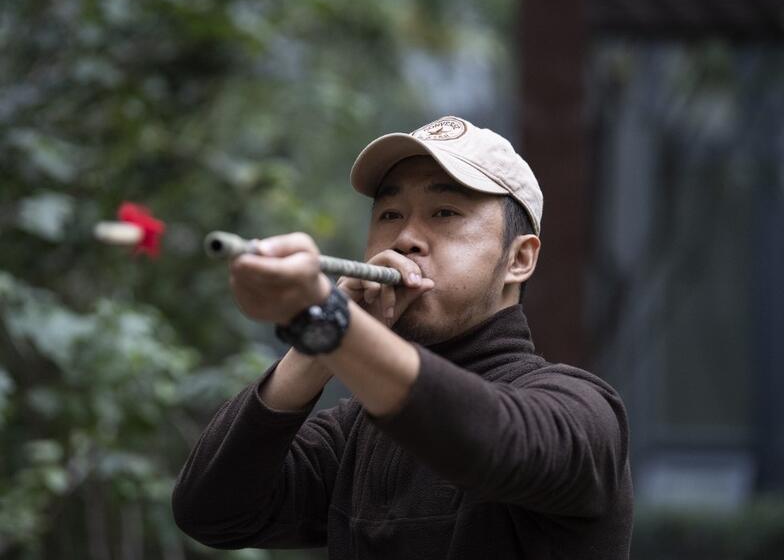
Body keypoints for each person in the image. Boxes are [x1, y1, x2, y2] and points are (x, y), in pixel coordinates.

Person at [172, 116, 634, 559]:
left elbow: (491, 439)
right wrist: (316, 339)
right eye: (390, 214)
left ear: (519, 259)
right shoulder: (354, 434)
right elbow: (212, 513)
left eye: (445, 212)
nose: (406, 238)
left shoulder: (583, 409)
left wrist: (329, 324)